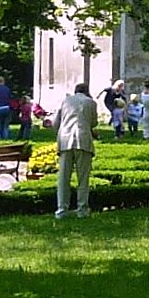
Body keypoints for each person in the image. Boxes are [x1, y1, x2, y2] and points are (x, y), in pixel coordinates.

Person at [54, 82, 99, 217]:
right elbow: (94, 122)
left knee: (63, 178)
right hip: (83, 140)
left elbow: (56, 123)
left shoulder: (65, 101)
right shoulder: (90, 102)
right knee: (83, 178)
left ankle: (62, 209)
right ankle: (82, 209)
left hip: (65, 140)